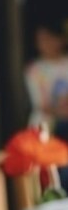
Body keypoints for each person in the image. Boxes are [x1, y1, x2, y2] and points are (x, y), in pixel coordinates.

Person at [24, 18, 68, 189]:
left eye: (49, 38)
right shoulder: (35, 70)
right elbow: (42, 104)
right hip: (47, 128)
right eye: (41, 40)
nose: (45, 44)